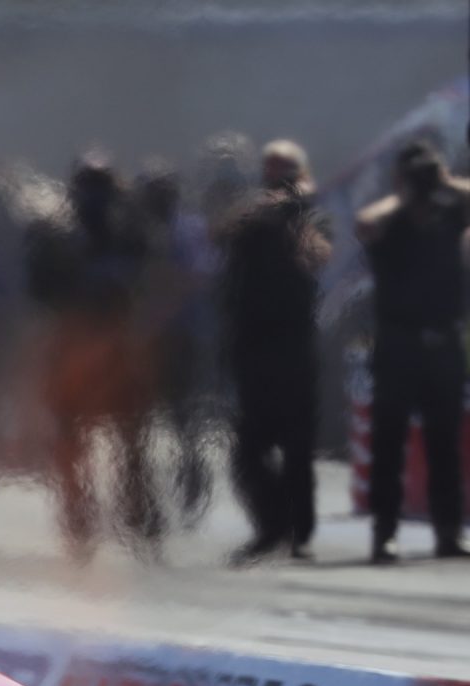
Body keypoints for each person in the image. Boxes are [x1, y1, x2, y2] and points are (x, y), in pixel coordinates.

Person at [24, 151, 155, 555]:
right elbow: (39, 289)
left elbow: (148, 280)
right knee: (70, 435)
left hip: (114, 341)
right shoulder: (57, 235)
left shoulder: (130, 232)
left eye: (100, 187)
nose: (94, 198)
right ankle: (80, 514)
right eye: (89, 187)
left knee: (130, 435)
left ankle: (135, 510)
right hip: (73, 341)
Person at [355, 141, 469, 562]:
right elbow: (364, 224)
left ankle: (448, 533)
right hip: (399, 342)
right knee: (389, 441)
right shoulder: (390, 219)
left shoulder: (449, 211)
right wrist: (403, 194)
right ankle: (384, 534)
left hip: (442, 341)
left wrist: (445, 181)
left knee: (444, 442)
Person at [217, 144, 331, 564]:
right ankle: (271, 524)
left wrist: (296, 214)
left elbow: (319, 255)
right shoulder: (253, 217)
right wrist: (271, 209)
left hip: (294, 347)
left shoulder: (314, 218)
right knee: (249, 449)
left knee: (298, 449)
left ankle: (298, 533)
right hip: (253, 346)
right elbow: (224, 230)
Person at [133, 161, 218, 523]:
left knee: (183, 421)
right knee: (139, 423)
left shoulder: (189, 229)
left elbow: (199, 276)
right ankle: (144, 496)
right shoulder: (139, 231)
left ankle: (190, 485)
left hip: (180, 337)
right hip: (151, 339)